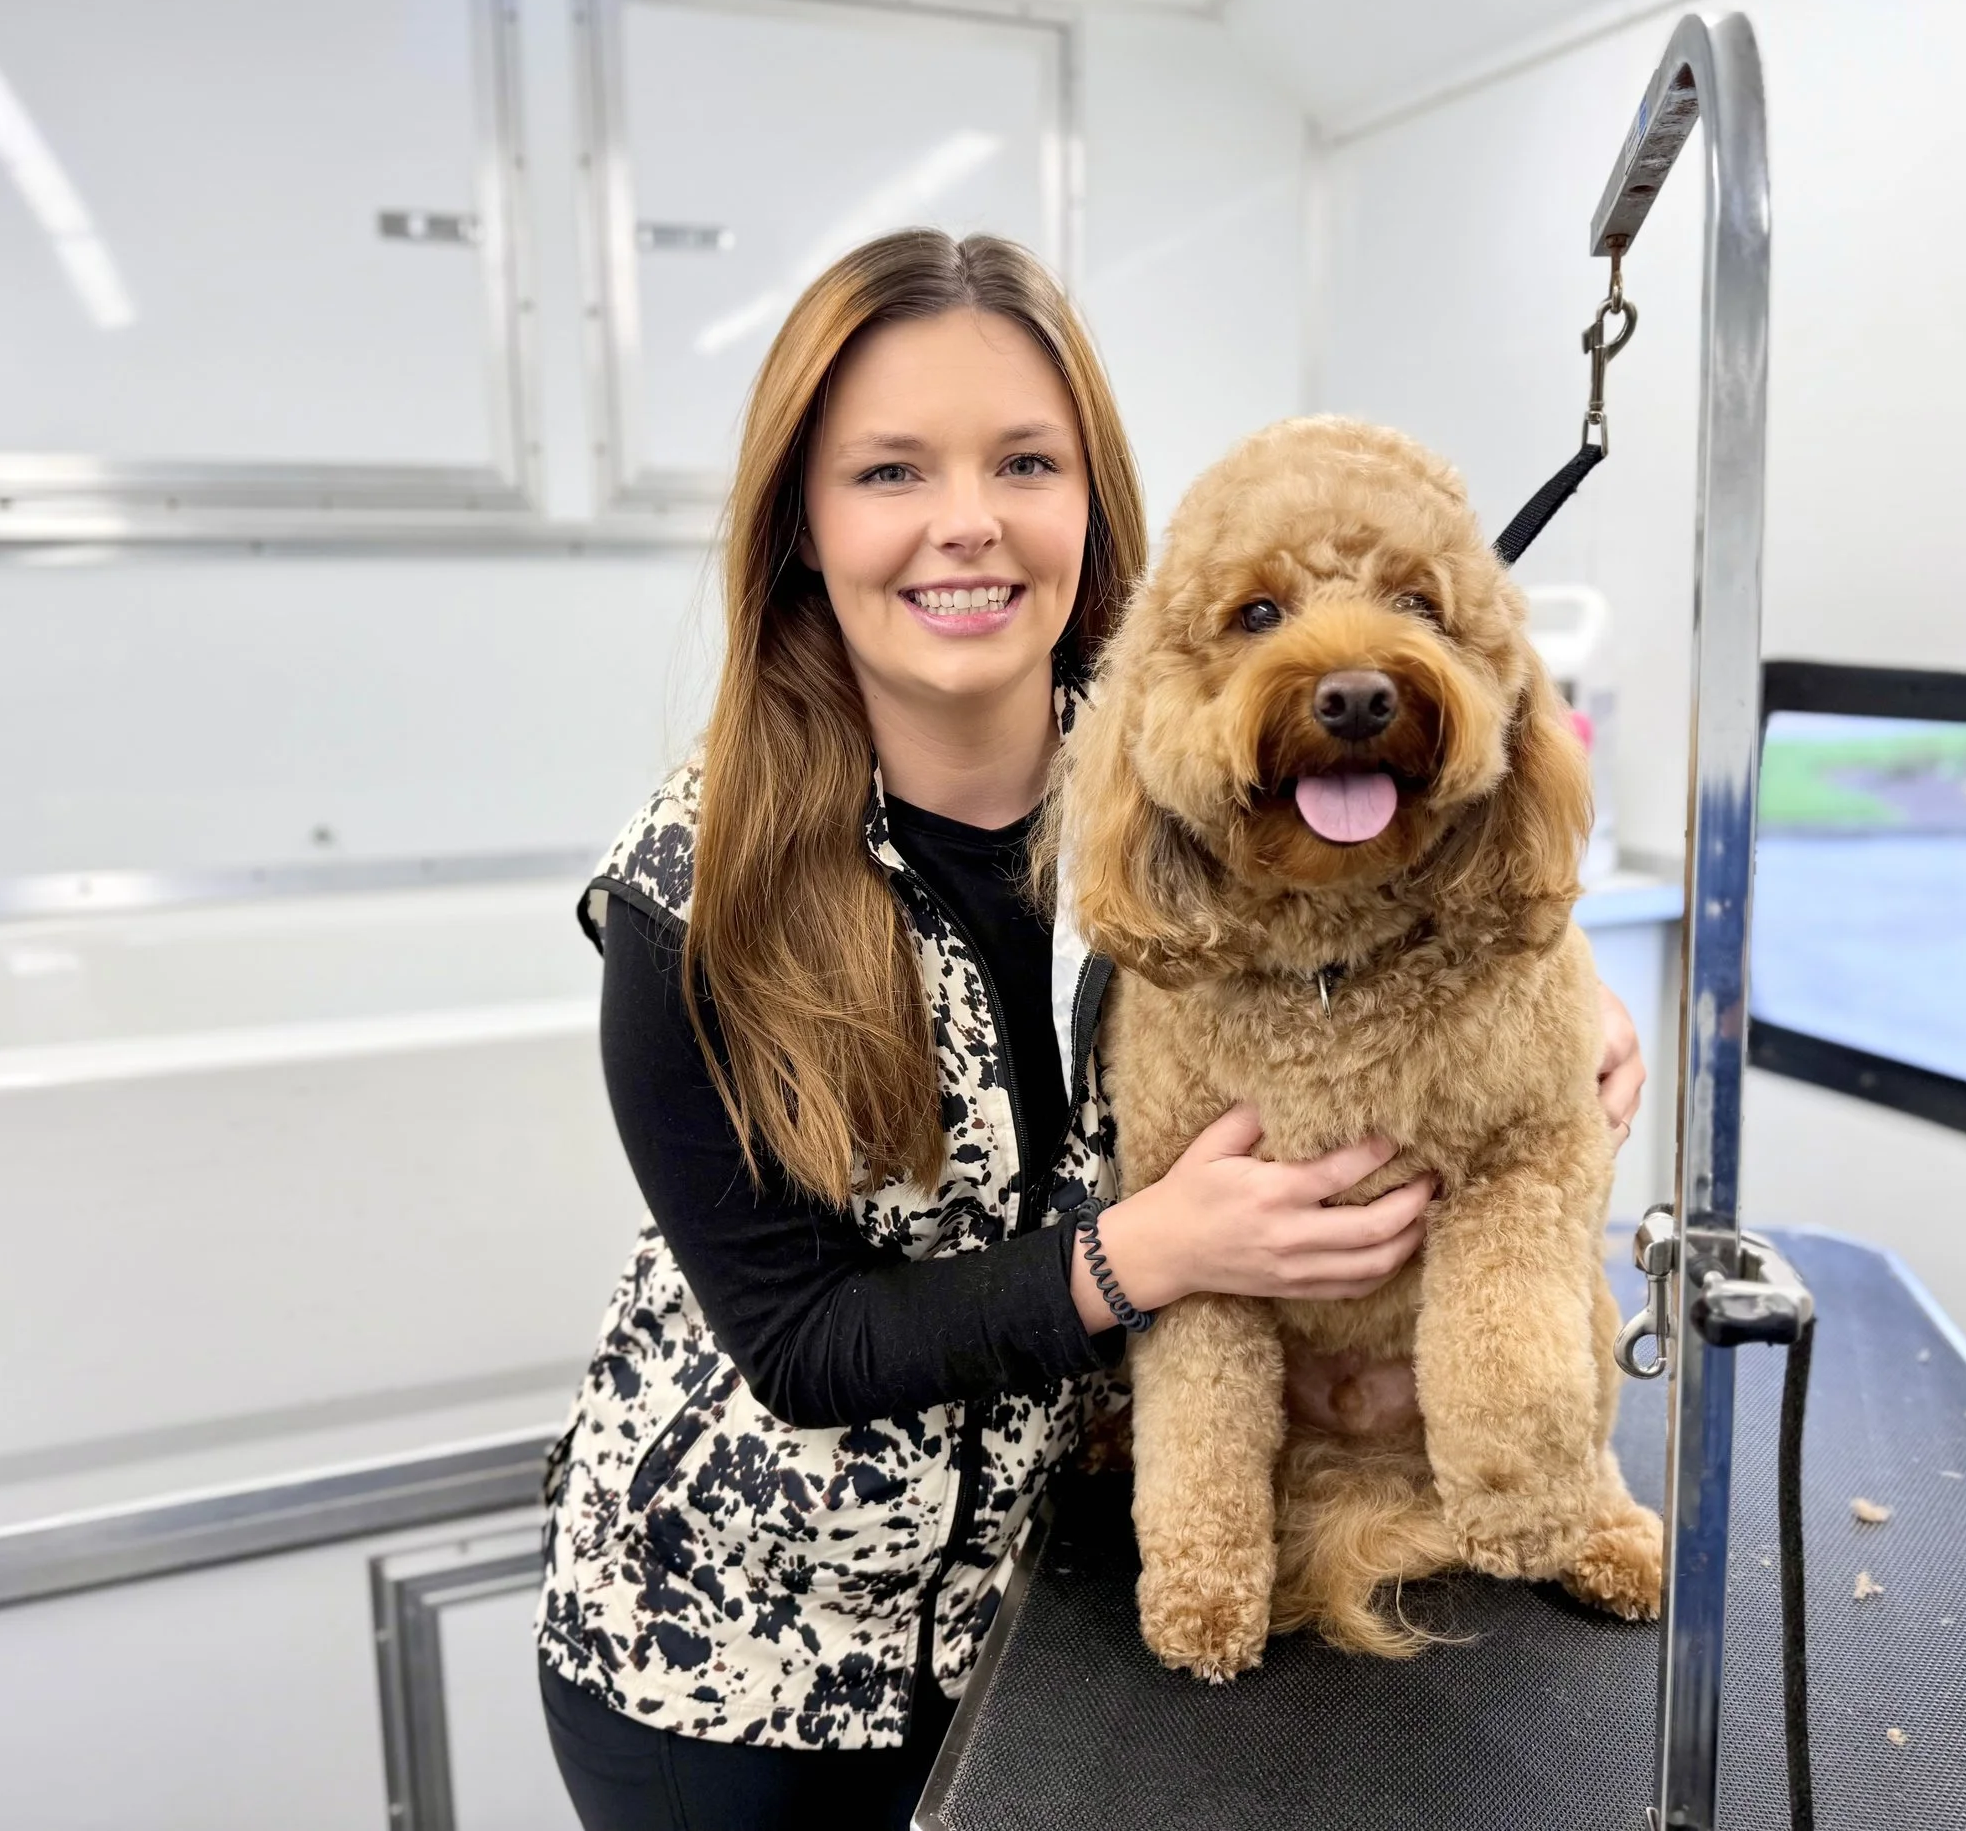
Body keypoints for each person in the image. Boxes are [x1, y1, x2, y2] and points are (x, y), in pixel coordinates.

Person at [535, 228, 1648, 1831]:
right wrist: (1149, 1252)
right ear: (802, 527)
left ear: (1091, 505)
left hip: (1046, 1602)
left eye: (1024, 461)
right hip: (738, 1663)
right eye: (890, 471)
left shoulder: (1176, 771)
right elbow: (797, 1342)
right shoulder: (687, 898)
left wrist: (1569, 994)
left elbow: (1396, 886)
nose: (966, 521)